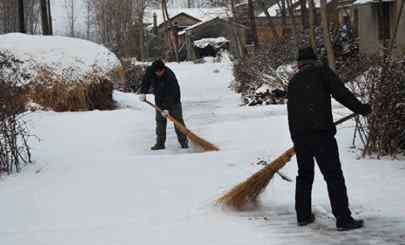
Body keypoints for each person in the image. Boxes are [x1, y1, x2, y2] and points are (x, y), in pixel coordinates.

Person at [287, 47, 371, 231]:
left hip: (300, 137)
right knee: (333, 176)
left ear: (300, 64)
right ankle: (343, 219)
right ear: (314, 60)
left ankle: (303, 216)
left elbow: (291, 113)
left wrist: (296, 138)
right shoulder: (322, 72)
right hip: (321, 135)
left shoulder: (293, 82)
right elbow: (342, 94)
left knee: (305, 175)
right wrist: (361, 109)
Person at [139, 60, 188, 150]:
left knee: (178, 121)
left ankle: (184, 142)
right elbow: (146, 80)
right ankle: (160, 143)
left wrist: (167, 109)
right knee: (160, 121)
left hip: (174, 101)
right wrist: (143, 92)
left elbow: (174, 94)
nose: (158, 73)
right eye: (156, 72)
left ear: (164, 69)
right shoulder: (150, 71)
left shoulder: (170, 77)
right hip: (159, 99)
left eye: (160, 72)